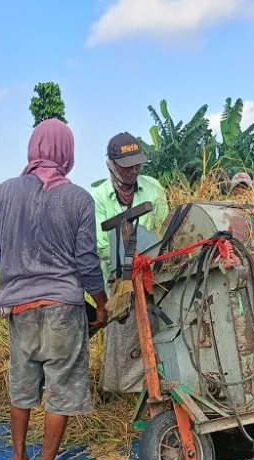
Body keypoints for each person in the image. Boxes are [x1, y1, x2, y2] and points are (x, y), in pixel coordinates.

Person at [0, 119, 108, 460]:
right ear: (66, 153)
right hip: (63, 310)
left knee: (22, 386)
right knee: (62, 388)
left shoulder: (4, 193)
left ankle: (19, 459)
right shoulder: (79, 198)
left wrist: (20, 261)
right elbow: (87, 262)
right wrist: (100, 304)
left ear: (33, 149)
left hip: (19, 310)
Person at [91, 133, 169, 394]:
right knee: (121, 331)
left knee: (153, 327)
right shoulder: (99, 197)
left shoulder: (154, 188)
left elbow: (162, 229)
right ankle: (118, 389)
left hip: (152, 275)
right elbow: (102, 244)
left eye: (137, 164)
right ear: (110, 164)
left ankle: (153, 386)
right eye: (126, 165)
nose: (133, 170)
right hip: (117, 281)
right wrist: (128, 258)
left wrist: (148, 257)